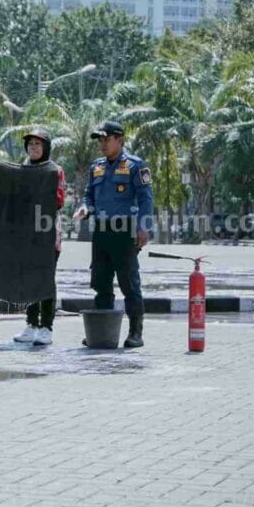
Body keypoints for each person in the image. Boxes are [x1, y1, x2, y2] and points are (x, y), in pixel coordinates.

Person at [72, 121, 153, 348]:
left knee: (129, 283)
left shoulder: (136, 166)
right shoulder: (96, 167)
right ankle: (102, 332)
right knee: (101, 282)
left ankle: (135, 332)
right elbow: (89, 196)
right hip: (101, 231)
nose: (102, 144)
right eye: (100, 140)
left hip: (125, 230)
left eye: (106, 139)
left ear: (120, 139)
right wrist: (85, 208)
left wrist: (144, 227)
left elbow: (146, 198)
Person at [12, 129, 66, 346]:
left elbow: (58, 200)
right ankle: (31, 324)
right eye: (30, 144)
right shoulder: (22, 170)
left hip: (48, 230)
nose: (33, 147)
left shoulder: (55, 170)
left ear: (46, 148)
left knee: (45, 279)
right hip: (26, 234)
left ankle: (47, 327)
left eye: (38, 144)